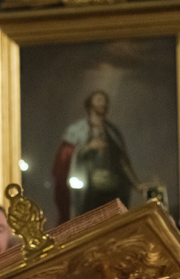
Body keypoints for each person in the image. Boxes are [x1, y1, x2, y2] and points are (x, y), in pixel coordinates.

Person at [52, 90, 141, 224]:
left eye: (105, 101)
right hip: (88, 193)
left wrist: (137, 184)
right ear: (90, 104)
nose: (103, 104)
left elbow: (123, 161)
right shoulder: (77, 130)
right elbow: (64, 158)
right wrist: (88, 147)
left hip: (112, 191)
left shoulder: (113, 131)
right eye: (99, 100)